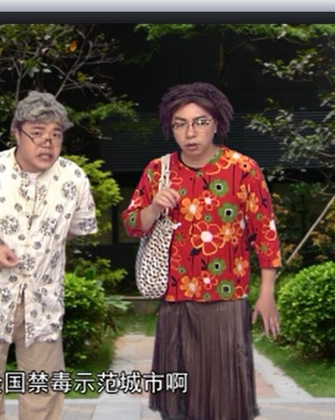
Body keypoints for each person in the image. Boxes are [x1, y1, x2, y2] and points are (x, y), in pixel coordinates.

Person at [121, 82, 282, 420]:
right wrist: (154, 207)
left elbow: (265, 233)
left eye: (200, 122)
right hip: (175, 299)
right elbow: (133, 224)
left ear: (216, 123)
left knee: (223, 398)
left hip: (226, 298)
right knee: (178, 399)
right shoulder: (158, 170)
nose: (190, 133)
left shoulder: (243, 169)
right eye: (180, 124)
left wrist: (266, 292)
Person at [0, 90, 98, 420]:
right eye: (37, 133)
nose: (47, 143)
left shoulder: (73, 178)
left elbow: (77, 227)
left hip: (43, 302)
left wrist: (43, 247)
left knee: (44, 396)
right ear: (16, 132)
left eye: (56, 135)